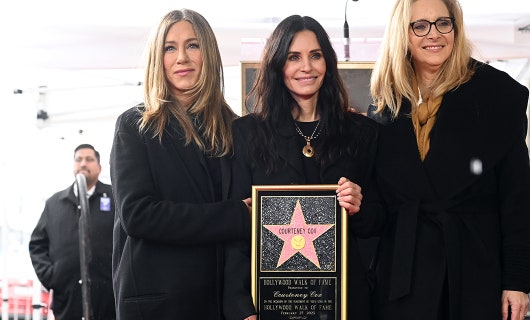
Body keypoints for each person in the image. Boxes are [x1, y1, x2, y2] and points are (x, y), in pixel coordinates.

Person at [366, 0, 530, 319]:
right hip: (402, 280)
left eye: (443, 23)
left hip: (473, 272)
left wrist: (516, 281)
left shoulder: (498, 95)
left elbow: (518, 201)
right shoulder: (383, 108)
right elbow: (379, 207)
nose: (434, 34)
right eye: (420, 25)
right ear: (403, 35)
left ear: (456, 29)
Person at [224, 15, 385, 320]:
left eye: (315, 55)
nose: (306, 67)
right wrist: (240, 306)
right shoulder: (246, 134)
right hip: (272, 305)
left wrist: (359, 206)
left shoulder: (362, 133)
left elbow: (380, 222)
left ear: (328, 62)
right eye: (293, 57)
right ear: (276, 65)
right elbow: (236, 229)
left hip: (346, 302)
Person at [109, 9, 251, 320]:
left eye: (193, 45)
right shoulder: (135, 125)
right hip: (158, 303)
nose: (182, 58)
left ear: (208, 54)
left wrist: (242, 305)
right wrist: (235, 215)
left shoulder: (236, 130)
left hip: (218, 305)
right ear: (157, 58)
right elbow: (138, 215)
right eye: (169, 48)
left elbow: (244, 237)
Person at [29, 143, 116, 320]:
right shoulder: (55, 203)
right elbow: (37, 244)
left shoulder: (114, 198)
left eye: (89, 159)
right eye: (79, 160)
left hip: (108, 299)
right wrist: (52, 277)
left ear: (99, 168)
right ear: (73, 166)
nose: (83, 163)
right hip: (67, 300)